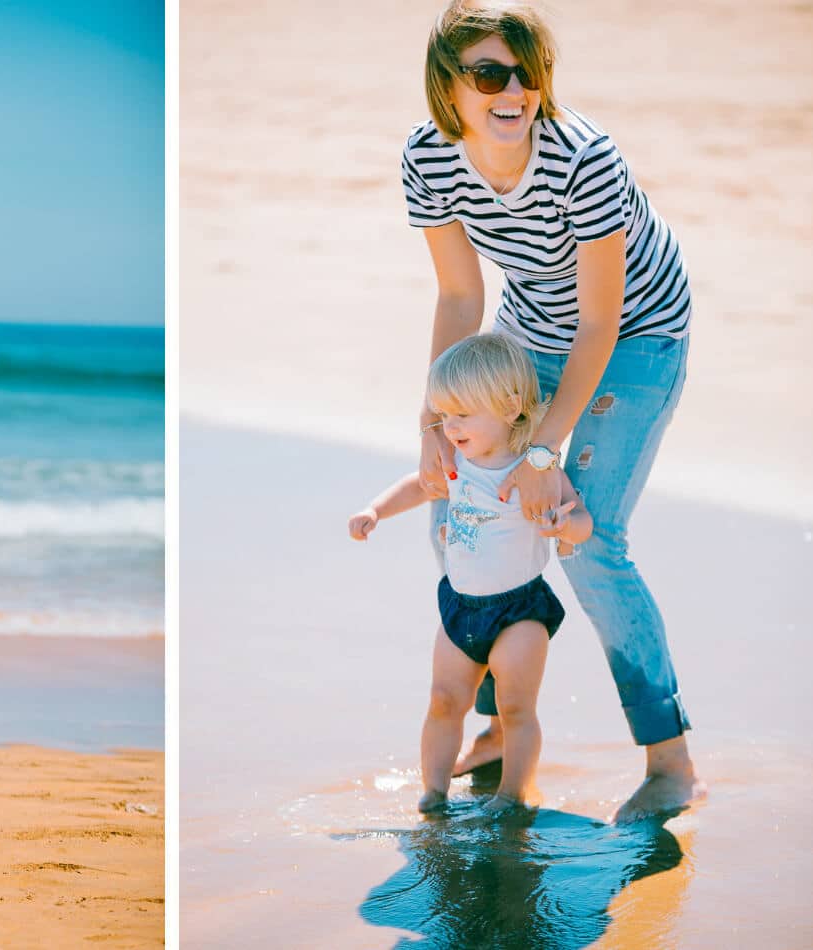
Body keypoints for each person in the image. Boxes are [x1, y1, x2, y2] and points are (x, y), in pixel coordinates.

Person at [402, 0, 705, 820]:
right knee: (461, 503)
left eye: (527, 73)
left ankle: (669, 758)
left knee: (588, 535)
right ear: (448, 87)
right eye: (490, 73)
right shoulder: (428, 157)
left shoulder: (584, 158)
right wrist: (434, 425)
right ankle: (501, 725)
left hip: (638, 333)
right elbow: (461, 293)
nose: (515, 91)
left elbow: (602, 322)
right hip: (530, 326)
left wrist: (544, 451)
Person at [349, 334, 592, 813]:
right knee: (443, 700)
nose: (449, 426)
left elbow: (582, 520)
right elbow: (419, 486)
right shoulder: (455, 459)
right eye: (443, 414)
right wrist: (375, 511)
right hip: (461, 607)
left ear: (508, 407)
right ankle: (434, 791)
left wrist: (566, 523)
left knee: (517, 708)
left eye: (462, 415)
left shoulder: (532, 469)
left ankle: (512, 795)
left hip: (520, 611)